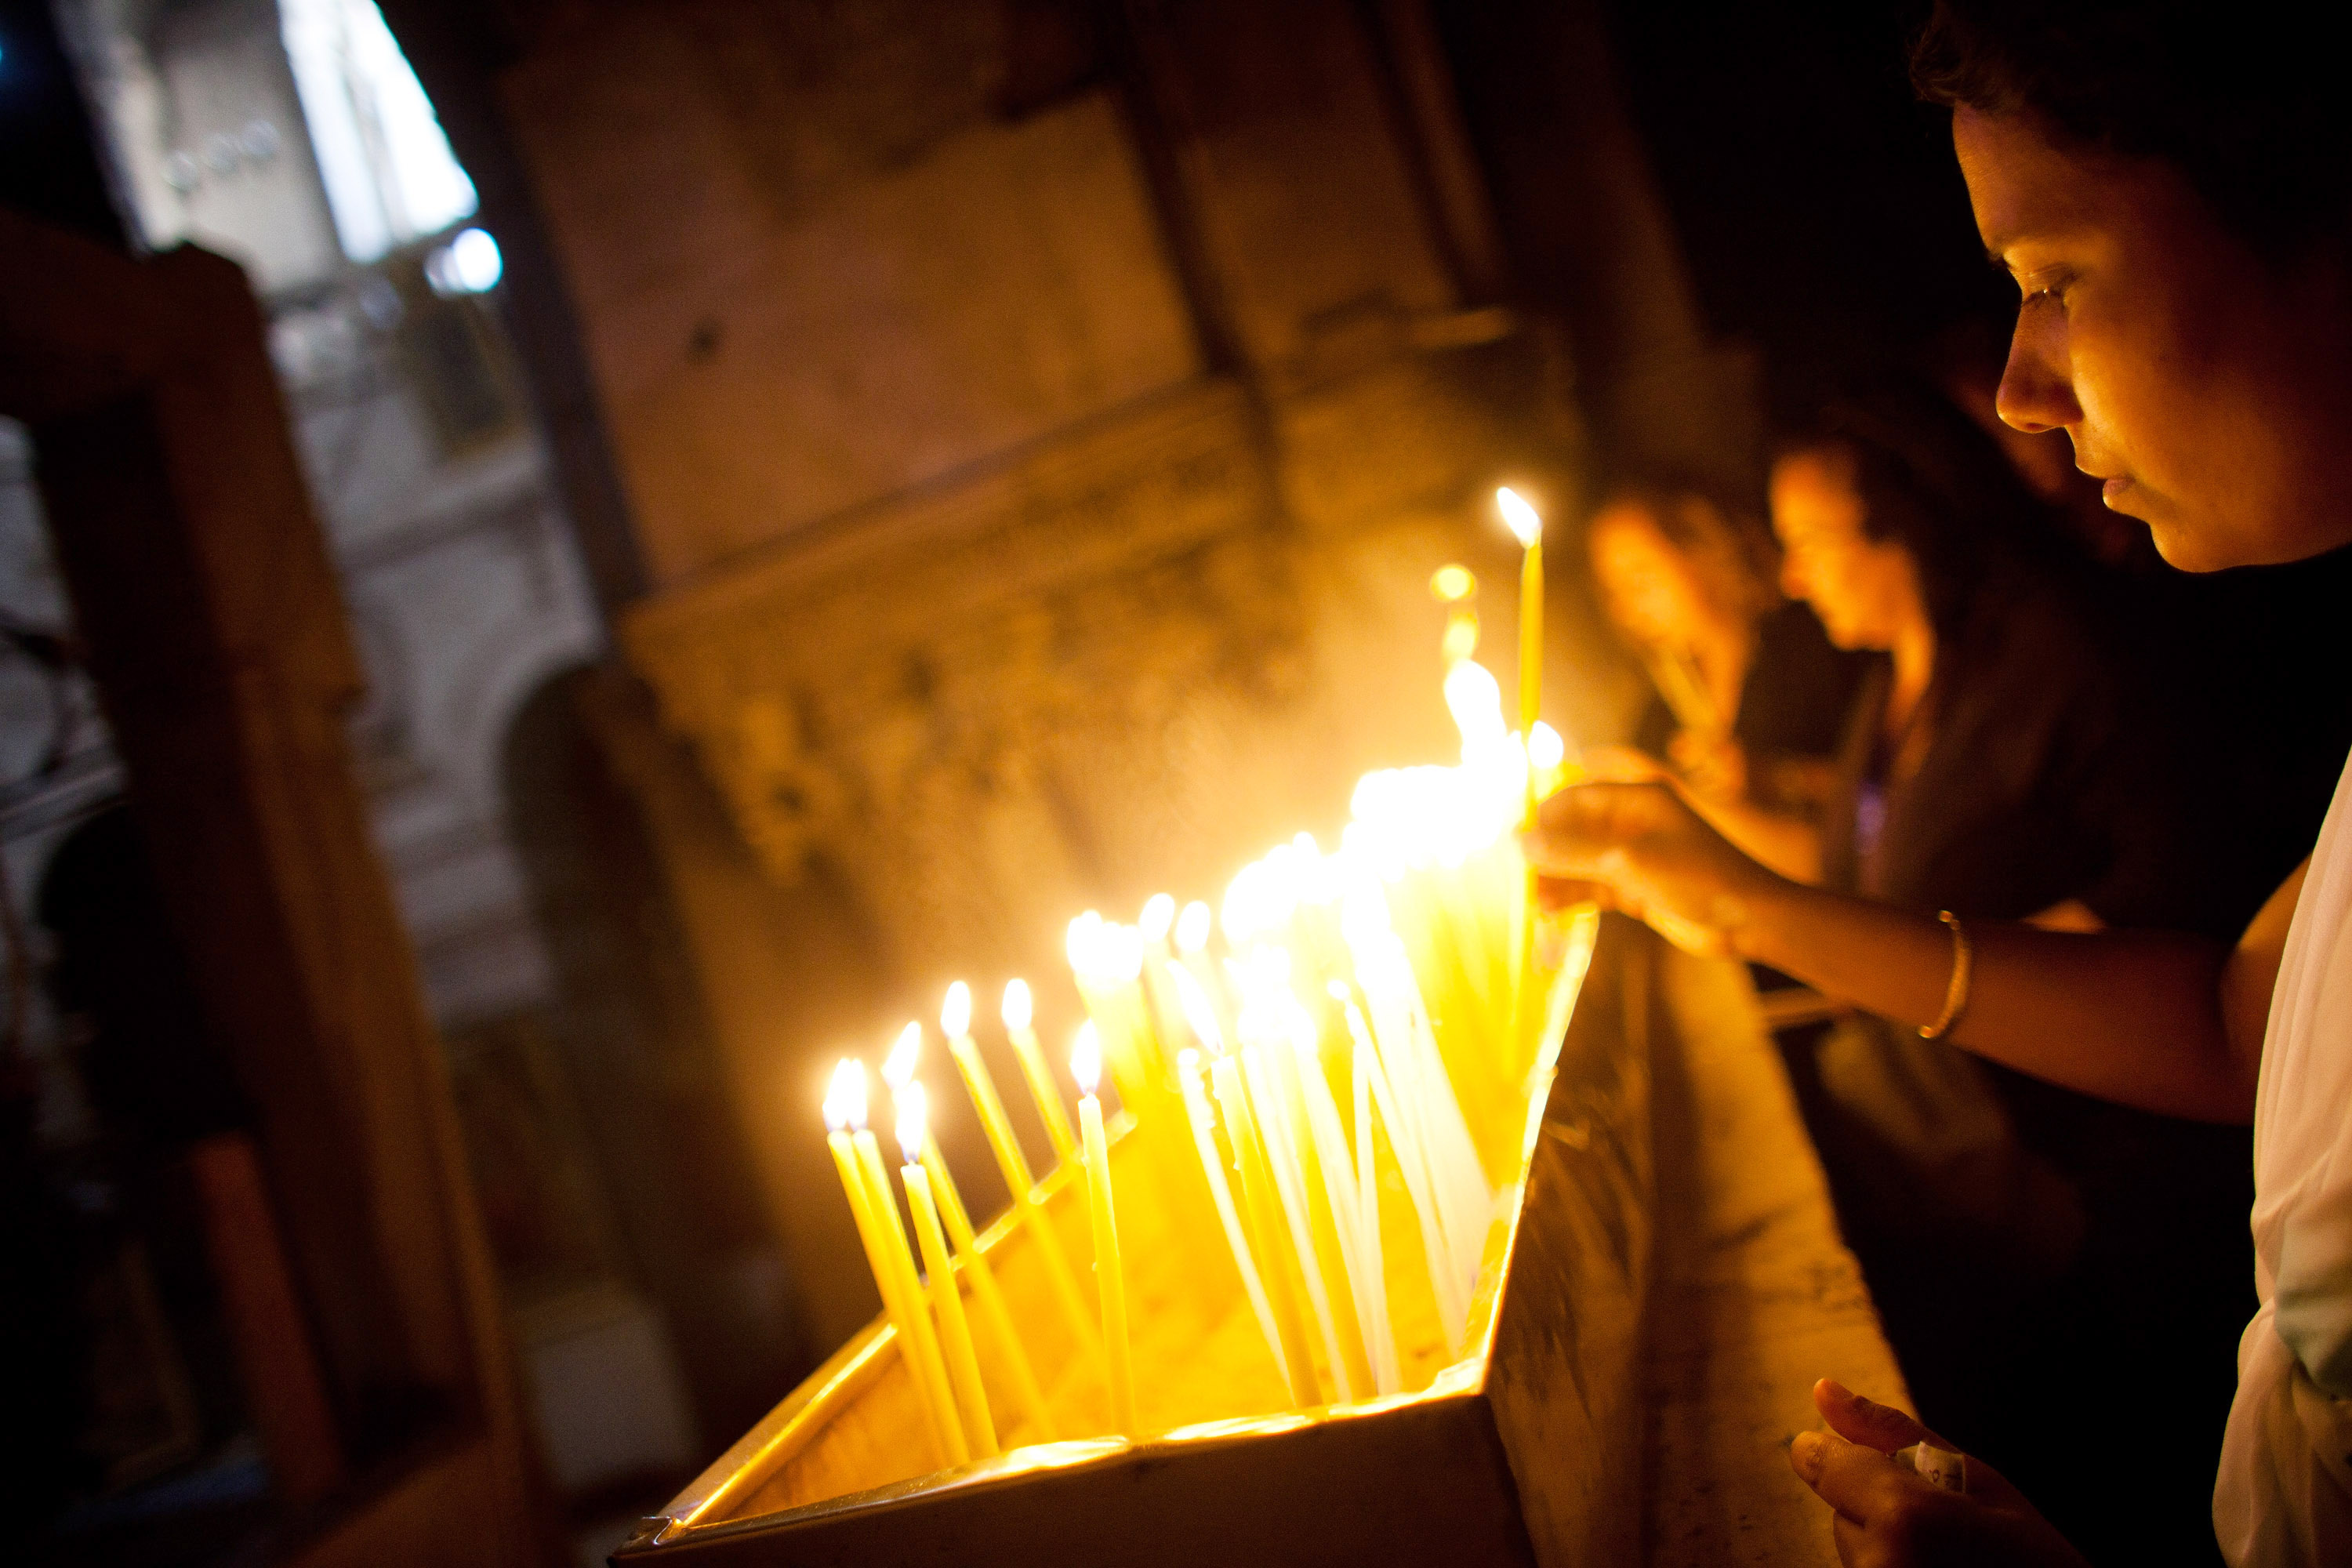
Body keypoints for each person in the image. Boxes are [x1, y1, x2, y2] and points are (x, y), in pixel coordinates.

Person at [1526, 3, 2352, 1564]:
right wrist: (1744, 900)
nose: (2026, 388)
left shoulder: (2072, 673)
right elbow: (2237, 1019)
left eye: (2056, 281)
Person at [1584, 477, 1863, 836]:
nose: (1627, 609)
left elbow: (1885, 792)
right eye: (1613, 592)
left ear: (1701, 551)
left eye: (1640, 580)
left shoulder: (1813, 649)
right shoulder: (1660, 709)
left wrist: (1775, 779)